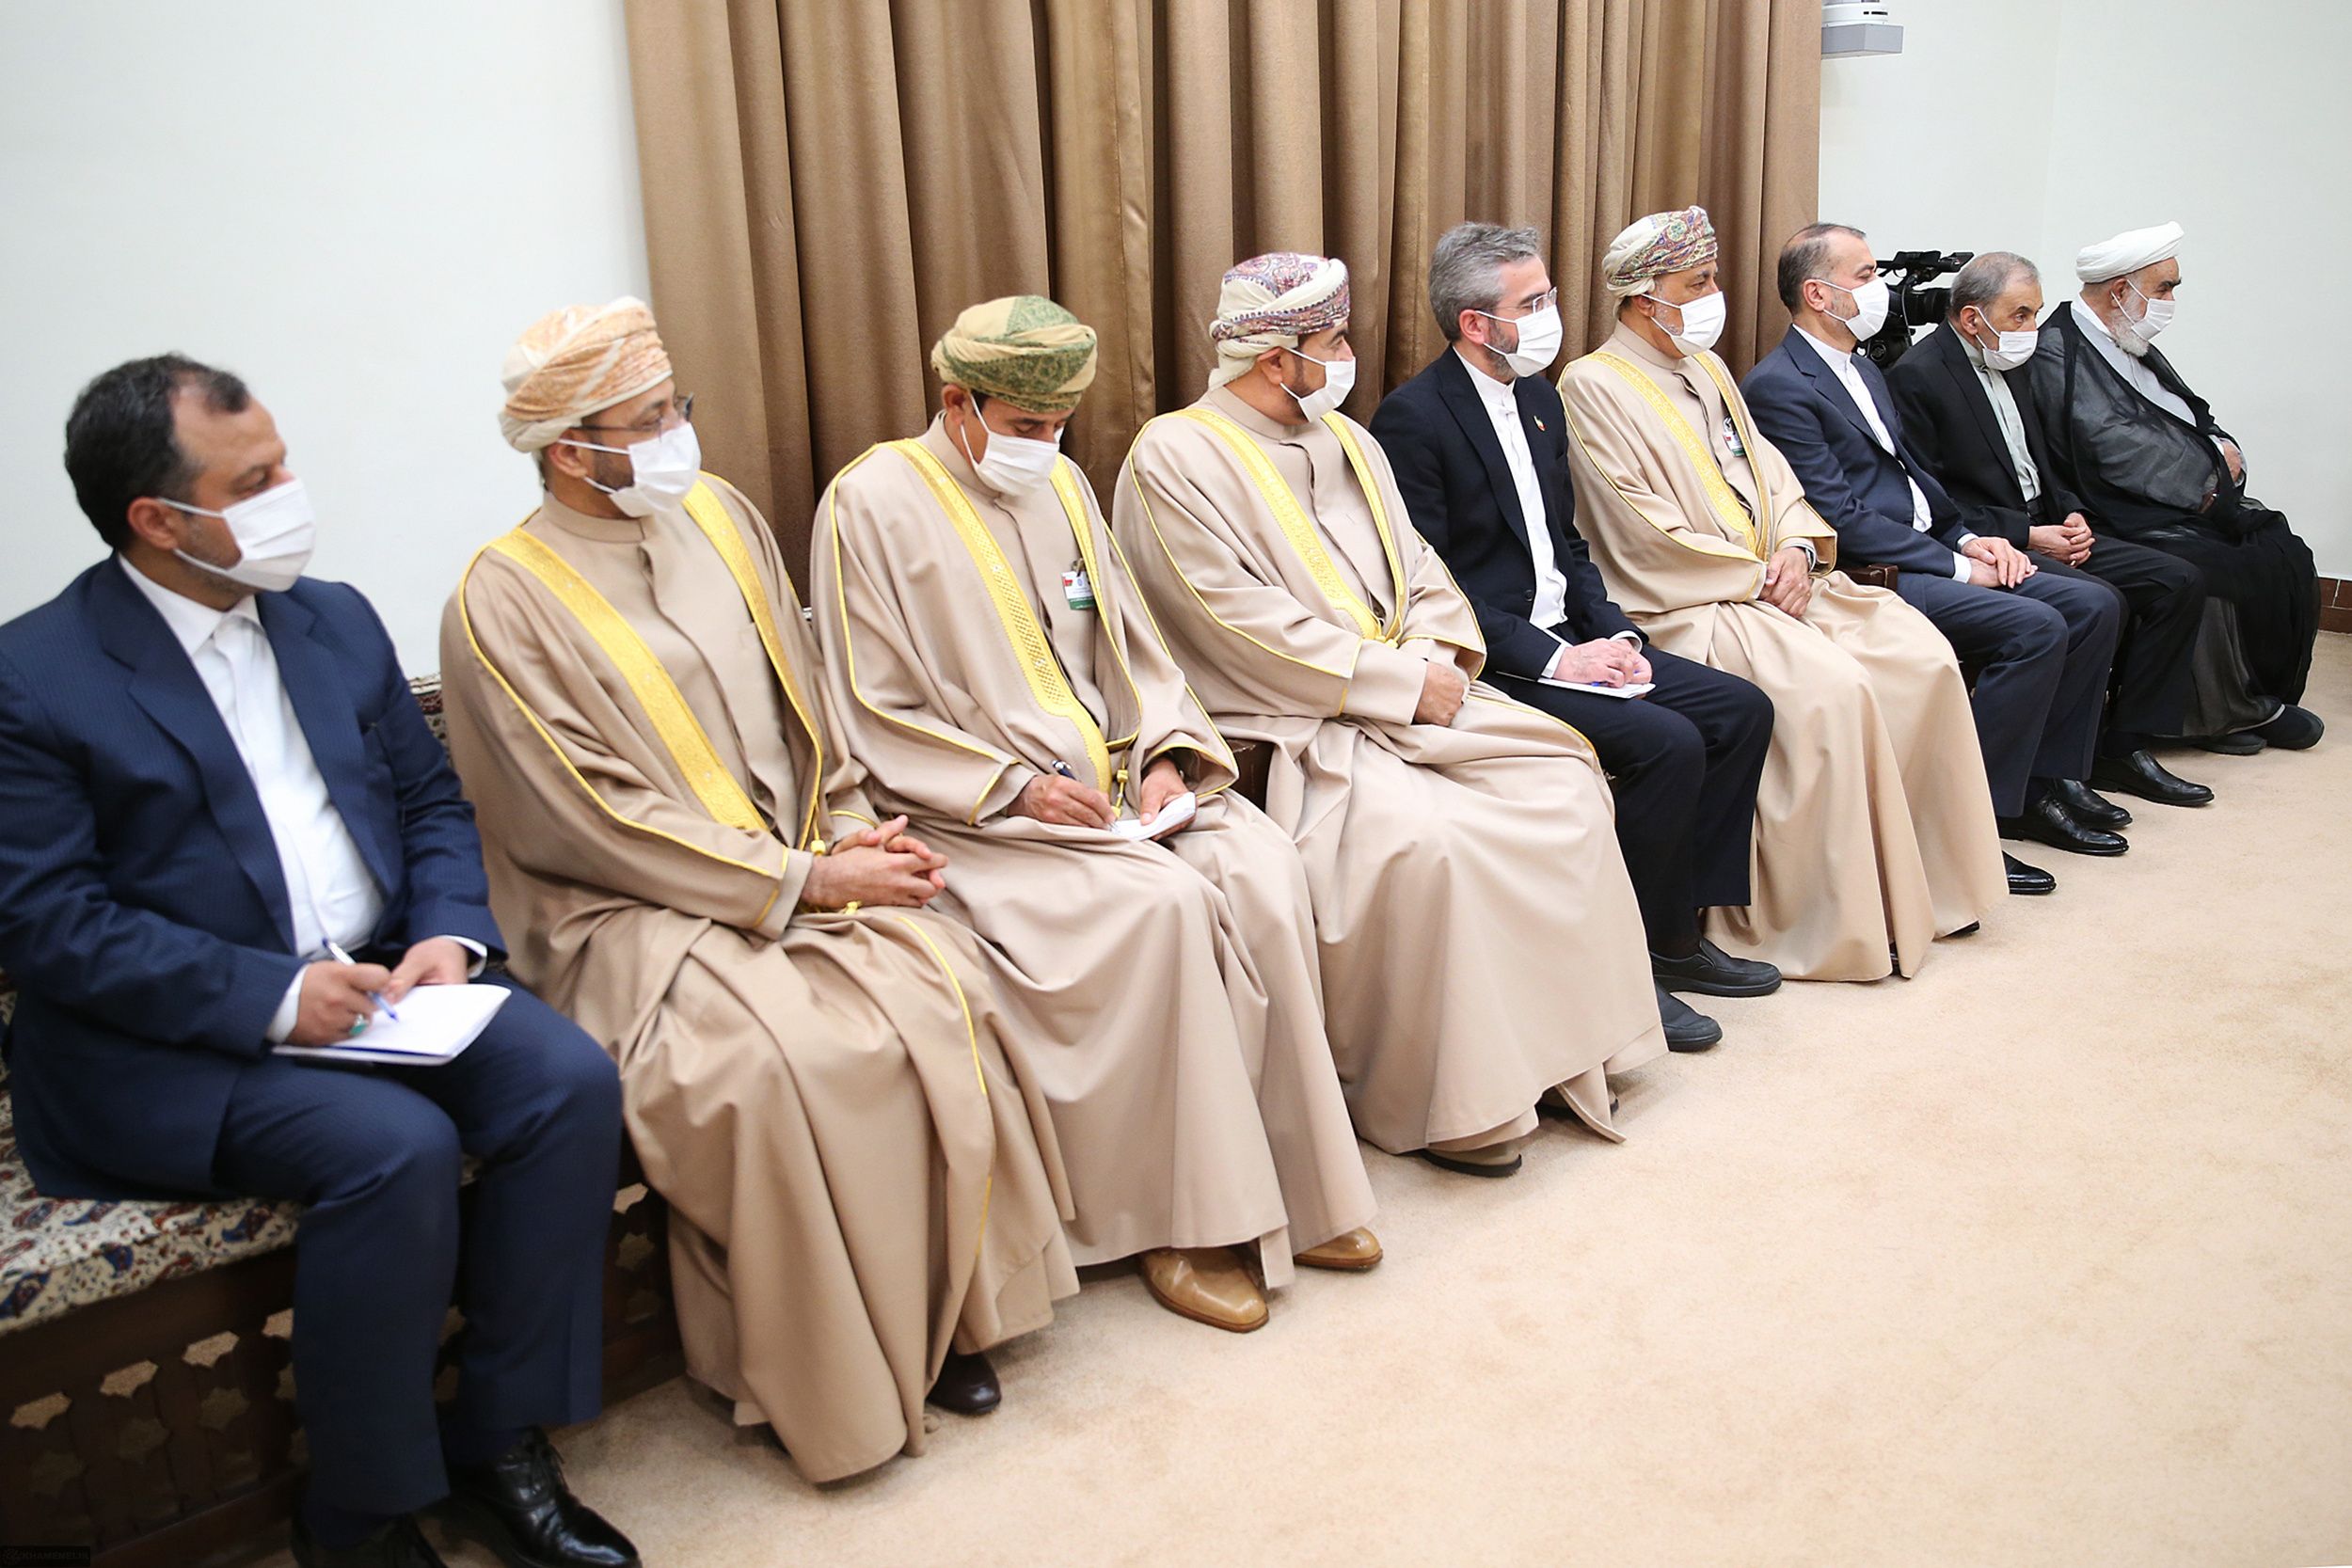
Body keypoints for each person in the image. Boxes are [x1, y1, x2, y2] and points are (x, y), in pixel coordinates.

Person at [0, 356, 637, 1568]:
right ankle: (360, 1508)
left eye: (282, 459)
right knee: (388, 1150)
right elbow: (47, 922)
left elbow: (432, 801)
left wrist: (449, 933)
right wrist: (277, 996)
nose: (294, 491)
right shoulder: (33, 676)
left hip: (391, 982)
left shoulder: (330, 615)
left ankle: (498, 1437)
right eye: (258, 478)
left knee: (566, 1084)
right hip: (173, 1036)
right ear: (158, 519)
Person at [440, 299, 1076, 1482]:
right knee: (783, 1064)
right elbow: (589, 814)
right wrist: (806, 878)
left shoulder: (719, 516)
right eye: (648, 421)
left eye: (678, 407)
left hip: (796, 855)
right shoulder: (501, 599)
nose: (678, 434)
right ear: (569, 448)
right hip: (630, 911)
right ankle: (834, 1374)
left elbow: (808, 706)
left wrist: (850, 829)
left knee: (941, 983)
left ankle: (949, 1319)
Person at [812, 295, 1379, 1333]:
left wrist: (1164, 752)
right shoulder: (872, 501)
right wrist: (1013, 786)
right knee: (1159, 913)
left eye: (1058, 425)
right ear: (956, 400)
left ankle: (1299, 1188)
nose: (1046, 445)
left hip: (1119, 788)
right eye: (1025, 426)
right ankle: (1180, 1218)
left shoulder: (1065, 484)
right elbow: (868, 705)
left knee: (1255, 866)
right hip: (979, 810)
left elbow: (1130, 648)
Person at [1114, 251, 1666, 1180]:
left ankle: (1570, 1052)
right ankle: (1460, 1101)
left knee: (1561, 783)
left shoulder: (1350, 442)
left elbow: (1422, 571)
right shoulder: (1174, 455)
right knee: (1425, 845)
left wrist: (1437, 658)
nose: (1346, 356)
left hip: (1418, 691)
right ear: (1273, 355)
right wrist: (1396, 682)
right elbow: (1228, 619)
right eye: (1329, 342)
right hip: (1303, 720)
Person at [1555, 207, 2008, 980]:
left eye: (1712, 279)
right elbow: (1636, 526)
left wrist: (1799, 547)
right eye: (1695, 284)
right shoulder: (1591, 383)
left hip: (1781, 581)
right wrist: (1756, 575)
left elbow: (1776, 477)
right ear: (1641, 297)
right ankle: (1828, 920)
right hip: (1695, 602)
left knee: (1920, 657)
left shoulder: (1710, 368)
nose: (1712, 296)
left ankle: (1921, 890)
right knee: (1835, 690)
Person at [1371, 221, 1779, 1052]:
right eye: (1536, 302)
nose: (1556, 313)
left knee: (1741, 710)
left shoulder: (1540, 395)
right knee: (1667, 744)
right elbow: (1437, 588)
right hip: (1504, 659)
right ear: (1476, 324)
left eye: (1550, 294)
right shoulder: (1412, 419)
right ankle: (1628, 959)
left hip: (1576, 634)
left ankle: (1677, 933)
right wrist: (1559, 656)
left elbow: (1569, 547)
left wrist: (1619, 634)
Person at [1744, 224, 2128, 880]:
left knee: (2094, 603)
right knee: (2034, 626)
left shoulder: (1863, 365)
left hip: (1934, 545)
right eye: (1865, 276)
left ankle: (2043, 782)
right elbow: (1840, 516)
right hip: (1876, 572)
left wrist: (1973, 537)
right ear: (1818, 292)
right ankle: (1967, 822)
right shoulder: (1780, 384)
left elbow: (1917, 477)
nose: (1881, 290)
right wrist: (1957, 564)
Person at [1886, 251, 2214, 808]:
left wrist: (2070, 512)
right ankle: (2051, 773)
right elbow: (1934, 499)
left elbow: (2042, 461)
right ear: (1971, 318)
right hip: (1995, 539)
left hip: (2047, 524)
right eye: (2020, 315)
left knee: (2177, 580)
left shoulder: (2014, 362)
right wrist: (2027, 535)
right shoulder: (1918, 378)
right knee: (2100, 603)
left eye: (2036, 313)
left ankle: (2121, 746)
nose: (2032, 329)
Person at [2028, 221, 2322, 753]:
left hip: (2170, 499)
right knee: (2211, 568)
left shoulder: (2128, 340)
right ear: (2121, 291)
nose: (2168, 300)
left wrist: (2223, 448)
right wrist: (2210, 479)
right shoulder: (2058, 351)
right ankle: (2215, 715)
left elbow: (2186, 412)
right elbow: (2111, 443)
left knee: (2282, 551)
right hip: (2114, 508)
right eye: (2164, 288)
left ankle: (2259, 697)